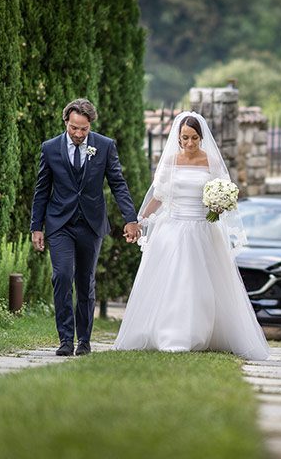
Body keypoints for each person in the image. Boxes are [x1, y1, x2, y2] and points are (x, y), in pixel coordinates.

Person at [114, 112, 270, 361]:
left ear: (201, 137)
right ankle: (170, 334)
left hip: (202, 229)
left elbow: (225, 191)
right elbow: (159, 195)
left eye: (194, 138)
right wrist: (140, 220)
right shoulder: (170, 161)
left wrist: (220, 205)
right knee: (174, 281)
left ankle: (198, 333)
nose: (189, 143)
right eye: (184, 138)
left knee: (199, 284)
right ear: (178, 137)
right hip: (173, 228)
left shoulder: (211, 162)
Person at [30, 99, 141, 356]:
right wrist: (37, 227)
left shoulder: (104, 146)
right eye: (74, 128)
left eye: (84, 129)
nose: (79, 134)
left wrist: (130, 218)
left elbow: (118, 183)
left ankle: (84, 341)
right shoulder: (49, 149)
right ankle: (66, 340)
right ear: (66, 122)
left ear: (90, 125)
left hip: (91, 224)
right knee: (62, 276)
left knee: (85, 282)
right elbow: (41, 190)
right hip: (60, 224)